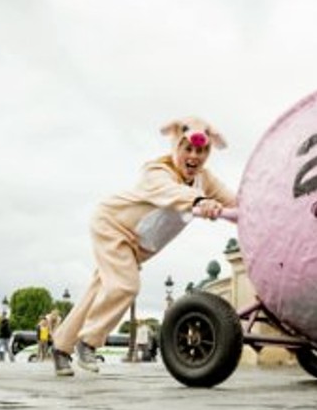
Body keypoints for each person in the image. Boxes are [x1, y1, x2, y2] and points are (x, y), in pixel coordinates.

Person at [50, 117, 238, 376]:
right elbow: (169, 192)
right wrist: (201, 201)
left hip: (136, 245)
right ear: (176, 148)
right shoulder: (157, 171)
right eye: (188, 149)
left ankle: (60, 348)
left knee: (99, 291)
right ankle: (88, 343)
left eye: (201, 151)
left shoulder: (204, 180)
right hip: (113, 226)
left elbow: (234, 200)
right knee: (125, 286)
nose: (194, 156)